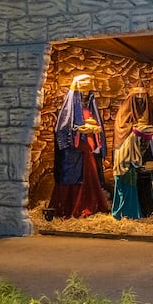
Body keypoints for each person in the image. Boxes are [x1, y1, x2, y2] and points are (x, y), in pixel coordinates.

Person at [48, 74, 110, 218]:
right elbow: (61, 130)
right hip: (74, 150)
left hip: (87, 148)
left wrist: (95, 130)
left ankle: (88, 205)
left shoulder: (90, 109)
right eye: (82, 92)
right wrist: (77, 129)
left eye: (87, 92)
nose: (85, 95)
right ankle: (72, 207)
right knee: (73, 176)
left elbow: (96, 126)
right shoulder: (68, 110)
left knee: (89, 176)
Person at [111, 119, 153, 220]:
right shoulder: (127, 148)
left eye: (148, 141)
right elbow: (123, 167)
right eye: (144, 140)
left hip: (142, 178)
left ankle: (147, 213)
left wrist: (150, 169)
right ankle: (128, 214)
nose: (146, 143)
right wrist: (137, 169)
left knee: (145, 188)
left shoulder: (145, 146)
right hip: (128, 178)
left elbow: (147, 160)